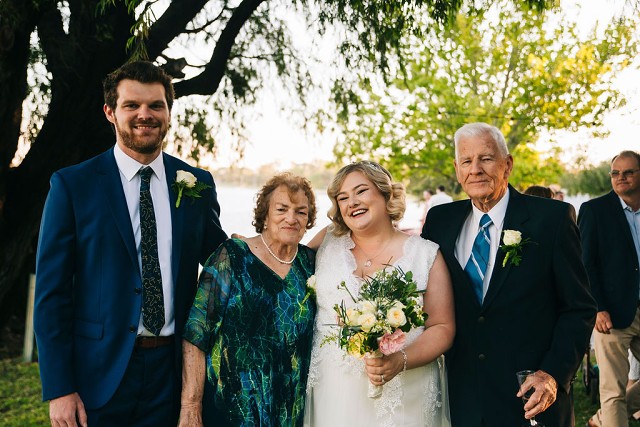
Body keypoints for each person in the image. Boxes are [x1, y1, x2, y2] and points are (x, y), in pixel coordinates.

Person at [33, 61, 227, 426]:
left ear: (168, 112)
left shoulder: (197, 184)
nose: (145, 115)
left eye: (156, 105)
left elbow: (224, 262)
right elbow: (51, 295)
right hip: (97, 374)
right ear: (110, 111)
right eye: (132, 105)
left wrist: (294, 247)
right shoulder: (73, 186)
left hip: (171, 373)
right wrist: (59, 388)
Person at [421, 122, 596, 426]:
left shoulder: (552, 219)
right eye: (466, 161)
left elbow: (578, 308)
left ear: (508, 164)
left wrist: (552, 374)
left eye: (486, 158)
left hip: (530, 397)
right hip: (464, 400)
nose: (475, 169)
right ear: (457, 169)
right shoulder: (440, 221)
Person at [304, 160, 455, 426]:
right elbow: (284, 263)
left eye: (361, 191)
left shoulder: (425, 254)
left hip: (404, 398)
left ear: (386, 194)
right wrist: (249, 247)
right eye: (343, 197)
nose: (352, 202)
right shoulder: (327, 240)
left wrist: (401, 360)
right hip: (333, 394)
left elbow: (442, 327)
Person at [179, 173, 317, 426]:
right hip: (230, 411)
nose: (291, 218)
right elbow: (196, 335)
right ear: (264, 215)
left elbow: (341, 228)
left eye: (301, 212)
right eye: (282, 209)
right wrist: (190, 406)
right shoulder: (231, 256)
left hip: (288, 413)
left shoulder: (309, 264)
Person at [579, 150, 640, 427]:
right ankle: (610, 414)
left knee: (615, 401)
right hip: (611, 315)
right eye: (615, 173)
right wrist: (597, 307)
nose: (620, 178)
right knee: (612, 391)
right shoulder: (595, 211)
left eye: (628, 172)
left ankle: (604, 417)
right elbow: (585, 264)